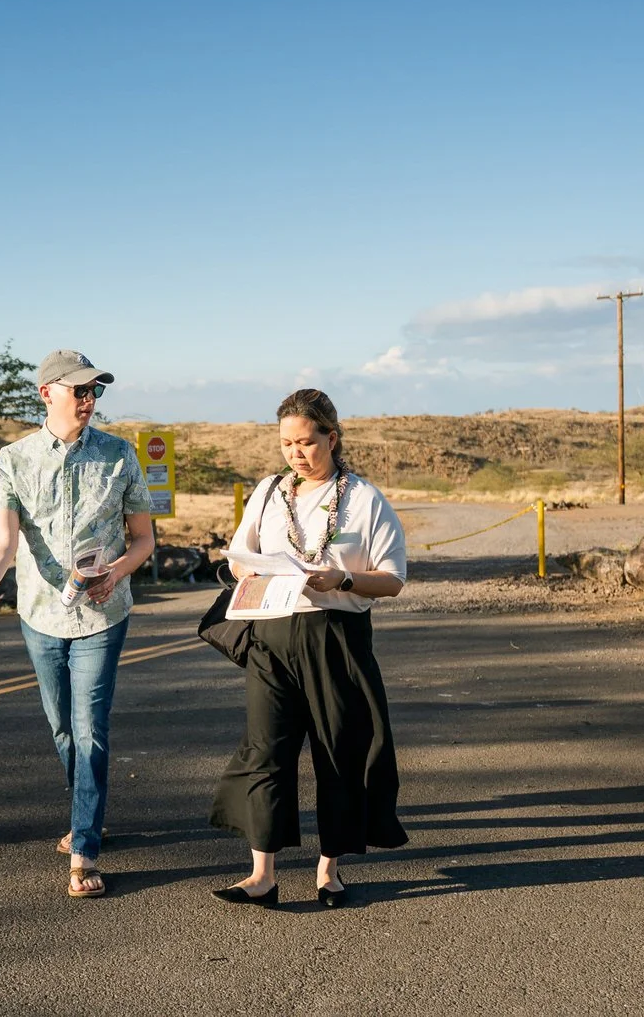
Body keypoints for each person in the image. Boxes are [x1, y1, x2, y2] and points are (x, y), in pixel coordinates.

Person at [0, 349, 156, 898]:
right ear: (46, 393)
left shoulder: (120, 454)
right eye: (78, 390)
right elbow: (2, 543)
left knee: (90, 728)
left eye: (94, 390)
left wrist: (118, 572)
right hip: (41, 615)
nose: (88, 399)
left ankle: (84, 849)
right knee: (61, 727)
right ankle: (86, 811)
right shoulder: (13, 459)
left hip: (104, 613)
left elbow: (144, 539)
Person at [210, 387, 409, 908]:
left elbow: (392, 581)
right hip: (272, 633)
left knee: (339, 751)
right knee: (266, 748)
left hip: (335, 638)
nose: (296, 453)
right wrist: (246, 568)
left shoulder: (365, 499)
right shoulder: (270, 491)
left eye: (306, 442)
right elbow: (239, 556)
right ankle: (262, 875)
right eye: (286, 443)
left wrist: (342, 579)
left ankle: (329, 870)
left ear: (332, 437)